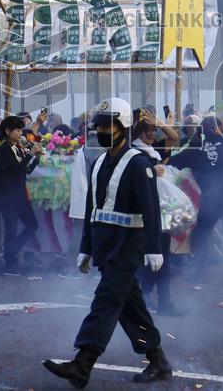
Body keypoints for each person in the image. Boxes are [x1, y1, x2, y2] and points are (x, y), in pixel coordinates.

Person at [42, 97, 171, 387]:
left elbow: (151, 209)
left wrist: (154, 248)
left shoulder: (139, 164)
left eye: (106, 125)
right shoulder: (99, 162)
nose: (100, 130)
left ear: (123, 127)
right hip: (105, 246)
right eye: (98, 125)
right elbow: (93, 210)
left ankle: (83, 363)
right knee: (129, 306)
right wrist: (85, 248)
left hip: (128, 247)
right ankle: (158, 360)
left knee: (106, 301)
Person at [169, 115, 223, 284]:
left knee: (202, 235)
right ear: (219, 129)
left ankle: (199, 273)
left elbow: (172, 161)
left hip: (210, 200)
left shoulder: (195, 149)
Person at [130, 107, 181, 317]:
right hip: (141, 215)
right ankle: (144, 301)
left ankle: (164, 302)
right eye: (148, 130)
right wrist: (153, 170)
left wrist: (160, 122)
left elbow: (175, 137)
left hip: (158, 212)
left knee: (163, 258)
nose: (153, 134)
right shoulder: (132, 152)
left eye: (153, 129)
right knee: (143, 261)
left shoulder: (153, 149)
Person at [0, 115, 43, 275]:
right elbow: (16, 169)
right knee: (11, 227)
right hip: (6, 195)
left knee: (32, 224)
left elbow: (25, 170)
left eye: (21, 130)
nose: (20, 133)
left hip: (18, 194)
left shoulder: (18, 147)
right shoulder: (4, 149)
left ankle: (11, 252)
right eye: (17, 130)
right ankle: (10, 263)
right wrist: (30, 154)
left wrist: (35, 158)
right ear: (7, 131)